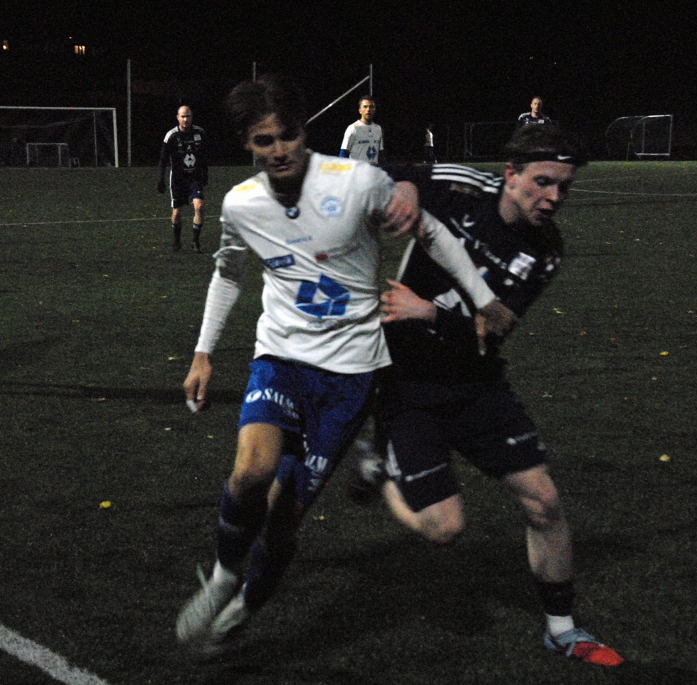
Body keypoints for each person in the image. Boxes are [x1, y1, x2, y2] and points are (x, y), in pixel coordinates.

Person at [175, 74, 514, 657]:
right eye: (263, 141)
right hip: (281, 355)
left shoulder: (356, 182)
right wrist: (203, 352)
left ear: (304, 132)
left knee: (282, 521)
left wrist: (483, 300)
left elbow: (432, 232)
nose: (279, 150)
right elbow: (228, 272)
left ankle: (244, 607)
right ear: (247, 144)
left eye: (287, 135)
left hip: (351, 374)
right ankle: (226, 574)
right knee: (251, 472)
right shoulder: (241, 204)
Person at [350, 125, 623, 667]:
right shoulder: (462, 187)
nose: (553, 198)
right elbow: (388, 172)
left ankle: (562, 630)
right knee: (444, 529)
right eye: (542, 182)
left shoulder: (545, 250)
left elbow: (494, 329)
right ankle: (379, 470)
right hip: (408, 385)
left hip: (477, 383)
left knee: (544, 503)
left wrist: (427, 311)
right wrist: (406, 187)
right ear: (511, 174)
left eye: (564, 187)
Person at [157, 105, 208, 252]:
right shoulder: (171, 136)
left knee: (199, 206)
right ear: (178, 118)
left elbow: (203, 156)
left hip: (195, 177)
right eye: (183, 116)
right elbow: (163, 159)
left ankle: (195, 241)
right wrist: (160, 179)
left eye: (188, 116)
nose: (186, 119)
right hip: (178, 179)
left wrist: (205, 174)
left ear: (192, 117)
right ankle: (177, 242)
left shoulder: (199, 133)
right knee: (177, 213)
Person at [339, 95, 384, 166]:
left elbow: (381, 154)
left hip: (372, 170)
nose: (368, 109)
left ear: (375, 109)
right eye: (365, 107)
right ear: (360, 110)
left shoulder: (378, 128)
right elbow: (343, 153)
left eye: (371, 107)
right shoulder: (353, 128)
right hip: (358, 170)